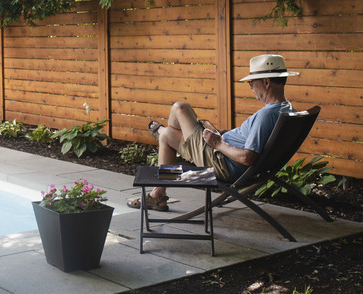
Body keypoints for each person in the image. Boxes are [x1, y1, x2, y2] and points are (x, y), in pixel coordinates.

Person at [127, 54, 299, 211]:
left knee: (180, 108)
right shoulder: (287, 109)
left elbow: (247, 157)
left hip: (222, 163)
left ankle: (174, 151)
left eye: (251, 83)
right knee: (167, 137)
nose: (251, 88)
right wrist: (225, 135)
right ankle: (161, 187)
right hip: (225, 154)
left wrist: (218, 143)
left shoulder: (267, 114)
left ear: (267, 82)